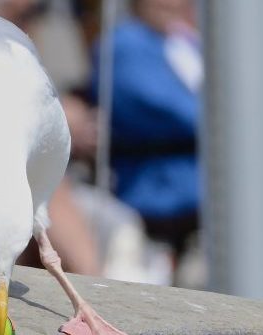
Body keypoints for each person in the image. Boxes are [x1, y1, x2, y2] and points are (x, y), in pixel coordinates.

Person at [92, 0, 202, 266]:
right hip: (159, 205)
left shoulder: (183, 43)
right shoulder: (123, 44)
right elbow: (182, 112)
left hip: (199, 204)